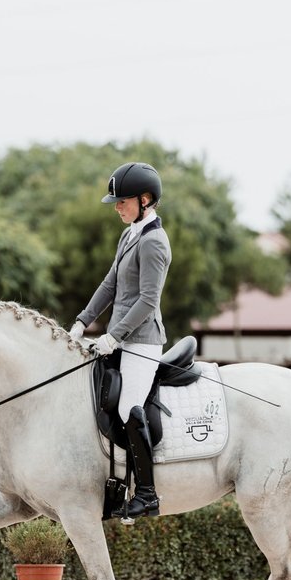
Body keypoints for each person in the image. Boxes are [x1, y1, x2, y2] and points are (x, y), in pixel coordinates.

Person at [70, 162, 172, 519]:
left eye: (122, 200)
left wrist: (113, 336)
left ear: (145, 200)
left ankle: (147, 493)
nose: (116, 206)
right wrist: (82, 322)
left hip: (142, 341)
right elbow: (110, 285)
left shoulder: (154, 242)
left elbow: (148, 301)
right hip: (120, 338)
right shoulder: (130, 234)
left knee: (129, 406)